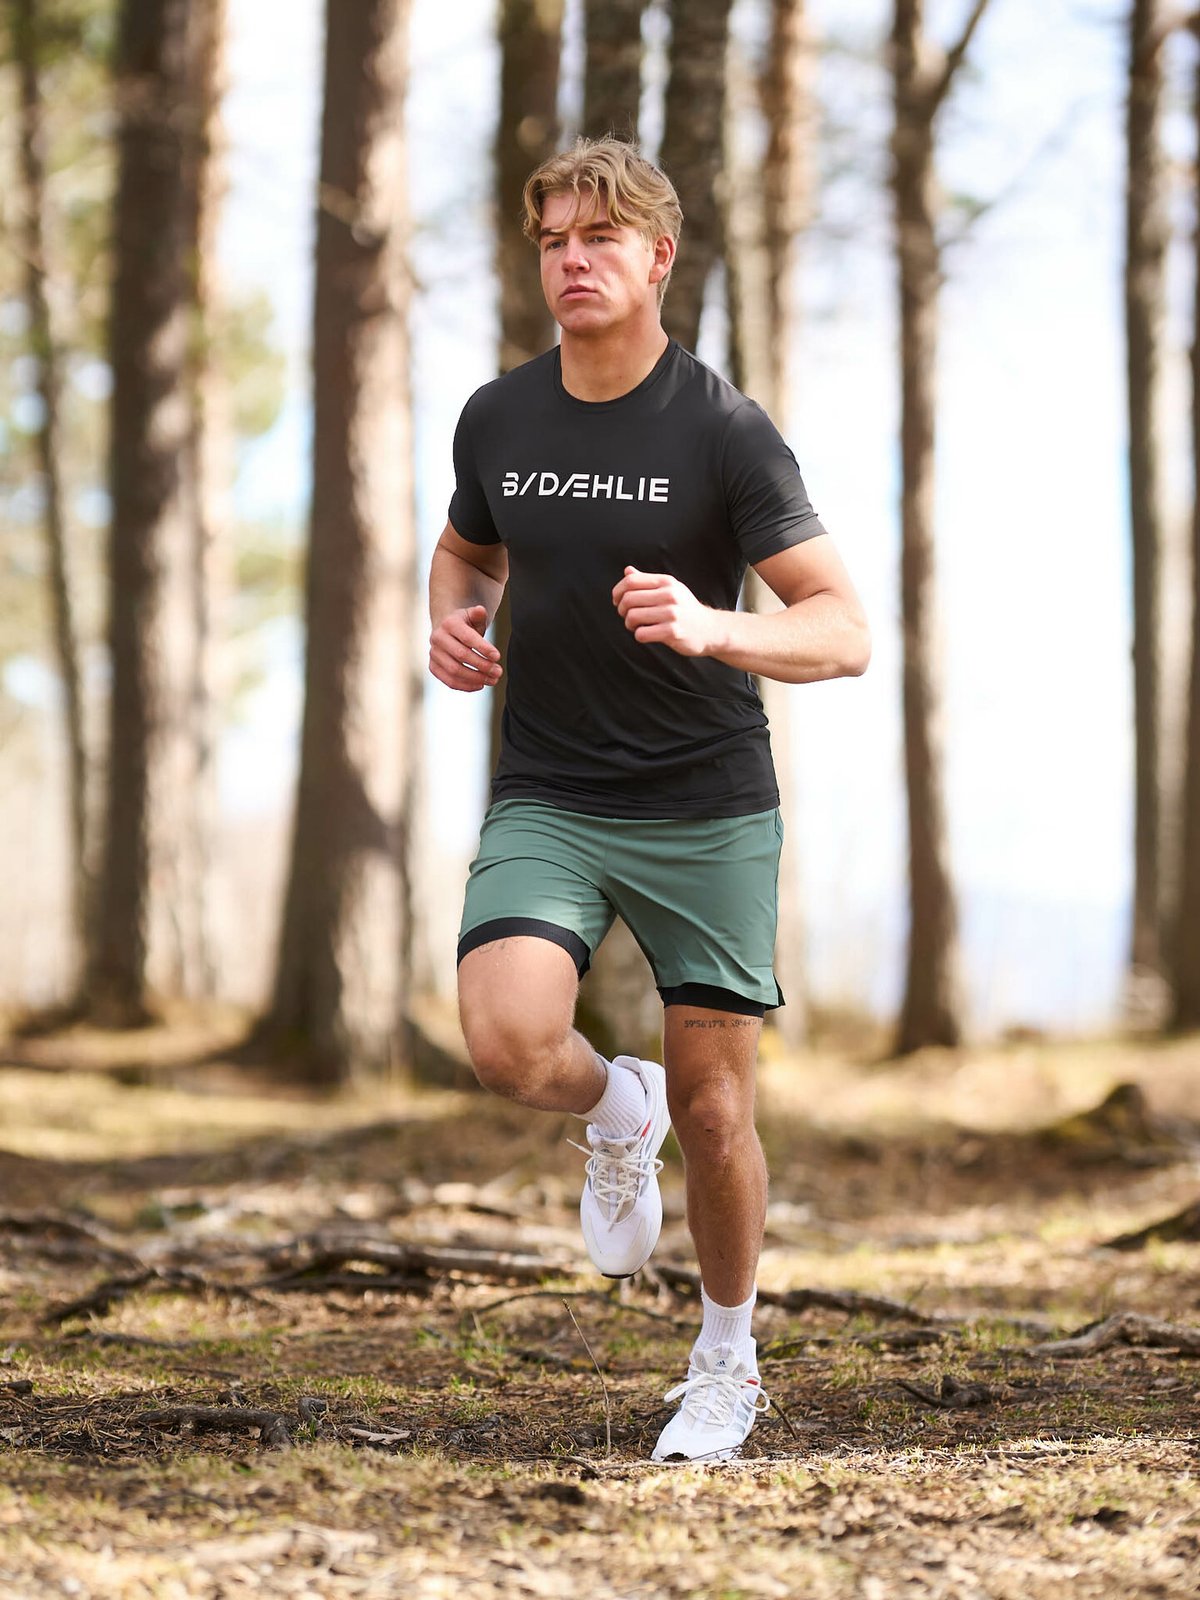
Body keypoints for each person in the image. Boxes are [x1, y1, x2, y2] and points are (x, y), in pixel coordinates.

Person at [427, 137, 869, 1462]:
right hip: (551, 789)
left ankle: (725, 1361)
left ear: (658, 257)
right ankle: (619, 1111)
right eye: (554, 238)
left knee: (723, 1109)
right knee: (508, 1043)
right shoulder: (499, 417)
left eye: (600, 238)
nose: (573, 259)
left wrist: (712, 626)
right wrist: (457, 623)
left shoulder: (720, 430)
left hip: (704, 804)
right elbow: (466, 547)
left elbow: (843, 630)